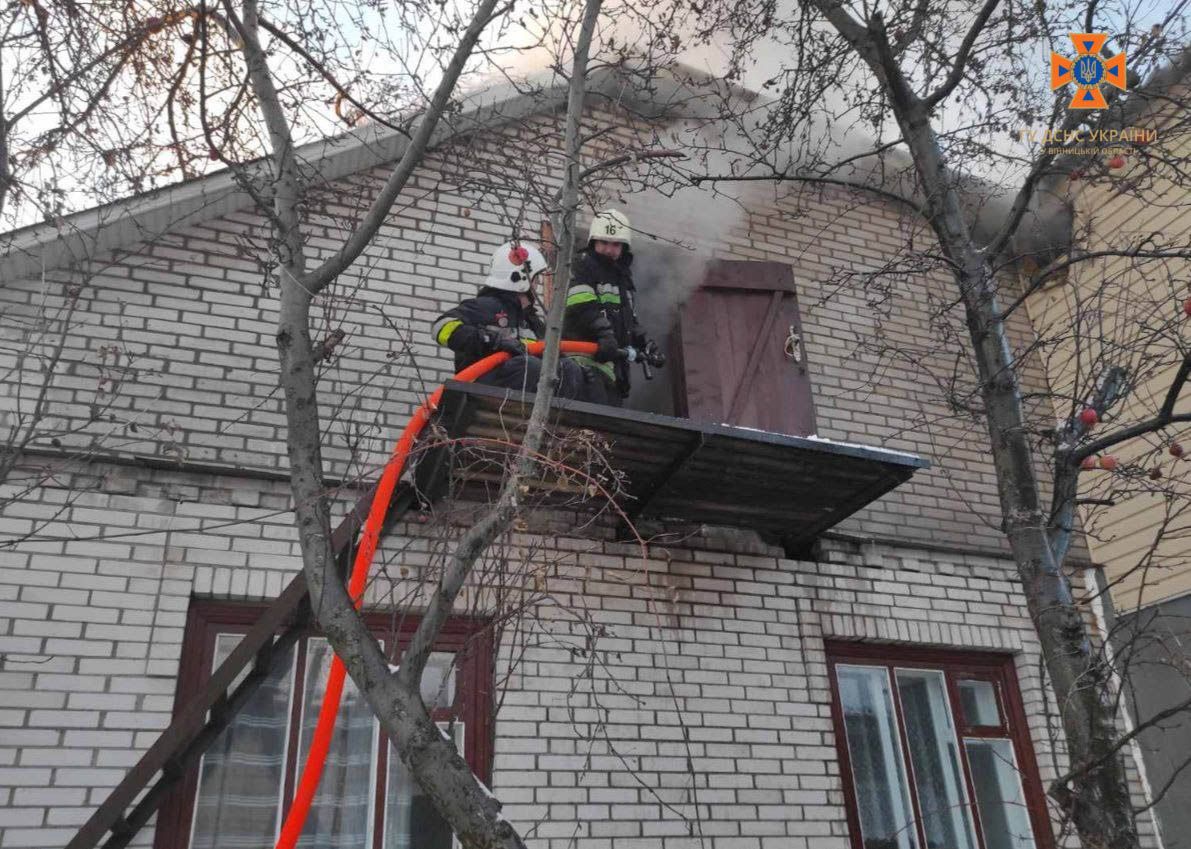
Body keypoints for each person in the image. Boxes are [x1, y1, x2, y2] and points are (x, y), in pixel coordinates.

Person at [430, 241, 584, 397]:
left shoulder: (533, 323)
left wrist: (580, 372)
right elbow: (441, 327)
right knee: (529, 366)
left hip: (524, 391)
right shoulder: (485, 307)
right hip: (479, 387)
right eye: (535, 279)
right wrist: (492, 341)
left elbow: (550, 354)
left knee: (568, 369)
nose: (537, 285)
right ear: (522, 279)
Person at [562, 209, 651, 406]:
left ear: (624, 247)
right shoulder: (582, 266)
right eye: (604, 243)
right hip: (581, 364)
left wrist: (645, 343)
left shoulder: (622, 277)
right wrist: (604, 333)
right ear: (593, 242)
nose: (610, 250)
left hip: (611, 369)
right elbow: (581, 305)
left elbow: (628, 319)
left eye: (616, 244)